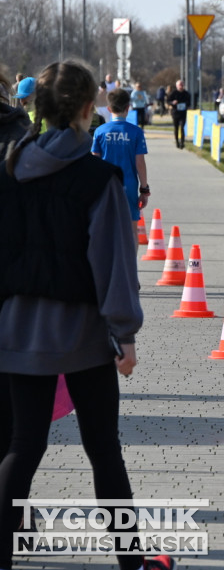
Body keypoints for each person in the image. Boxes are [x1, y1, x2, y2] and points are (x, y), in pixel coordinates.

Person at [0, 61, 176, 570]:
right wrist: (125, 333)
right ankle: (131, 561)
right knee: (103, 450)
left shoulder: (10, 167)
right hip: (81, 333)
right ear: (85, 109)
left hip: (16, 328)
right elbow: (114, 264)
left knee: (22, 446)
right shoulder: (97, 178)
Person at [92, 88, 150, 244]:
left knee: (106, 228)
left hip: (105, 186)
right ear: (128, 108)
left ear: (109, 109)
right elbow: (140, 163)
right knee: (131, 231)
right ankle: (130, 266)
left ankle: (108, 264)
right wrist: (144, 189)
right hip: (128, 186)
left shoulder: (99, 131)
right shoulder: (136, 132)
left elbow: (94, 162)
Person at [167, 79, 190, 149]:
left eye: (182, 85)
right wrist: (172, 103)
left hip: (183, 113)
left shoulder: (186, 93)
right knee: (176, 128)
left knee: (182, 127)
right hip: (175, 113)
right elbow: (168, 101)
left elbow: (189, 102)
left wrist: (186, 104)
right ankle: (177, 142)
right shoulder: (174, 93)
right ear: (177, 86)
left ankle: (182, 142)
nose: (181, 86)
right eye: (180, 85)